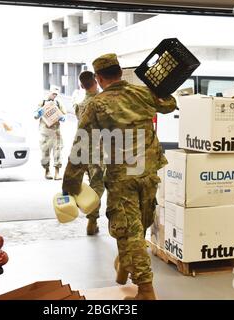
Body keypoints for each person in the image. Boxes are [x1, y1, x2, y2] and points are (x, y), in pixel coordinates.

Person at [62, 54, 177, 300]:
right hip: (146, 171)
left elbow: (82, 146)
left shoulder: (96, 104)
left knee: (130, 230)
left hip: (122, 176)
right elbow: (169, 104)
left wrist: (70, 184)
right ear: (120, 72)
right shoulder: (142, 93)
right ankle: (125, 263)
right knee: (140, 225)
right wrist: (159, 87)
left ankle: (146, 291)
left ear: (99, 78)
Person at [73, 71, 105, 236]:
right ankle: (92, 219)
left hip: (84, 152)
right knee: (98, 186)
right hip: (100, 152)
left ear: (81, 85)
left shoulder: (80, 105)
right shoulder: (102, 102)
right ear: (97, 81)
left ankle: (92, 219)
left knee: (93, 184)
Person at [34, 86, 66, 180]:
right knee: (45, 152)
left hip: (56, 132)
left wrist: (61, 117)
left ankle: (57, 173)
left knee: (58, 151)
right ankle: (47, 171)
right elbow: (35, 116)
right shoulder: (42, 102)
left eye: (56, 94)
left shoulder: (58, 103)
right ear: (49, 92)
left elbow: (64, 113)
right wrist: (38, 114)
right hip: (45, 132)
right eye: (53, 94)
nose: (54, 96)